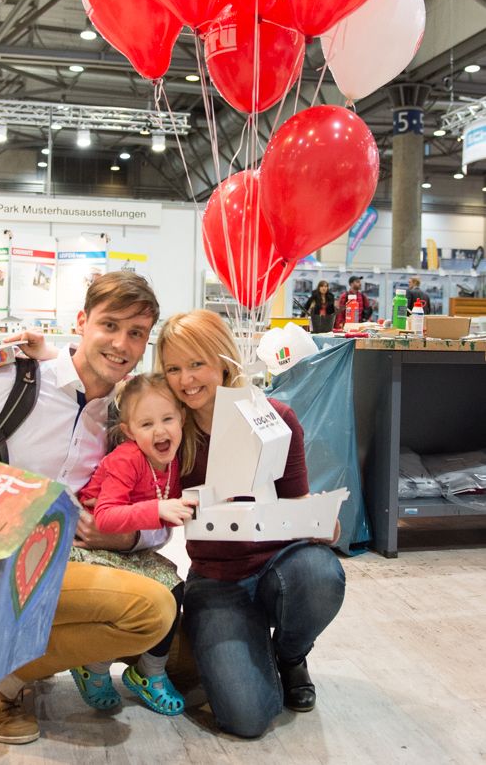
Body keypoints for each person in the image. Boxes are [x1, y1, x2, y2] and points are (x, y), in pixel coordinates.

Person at [0, 272, 176, 745]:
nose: (121, 343)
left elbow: (157, 510)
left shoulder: (122, 416)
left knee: (174, 625)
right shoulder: (13, 380)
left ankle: (28, 651)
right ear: (82, 322)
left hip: (63, 558)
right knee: (150, 611)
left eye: (136, 333)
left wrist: (120, 535)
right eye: (110, 325)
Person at [156, 309, 346, 740]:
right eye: (173, 368)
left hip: (281, 564)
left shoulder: (275, 417)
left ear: (223, 360)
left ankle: (291, 654)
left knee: (320, 573)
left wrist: (321, 523)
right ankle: (250, 644)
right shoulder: (170, 433)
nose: (186, 379)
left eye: (197, 363)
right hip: (217, 580)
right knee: (248, 718)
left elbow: (298, 503)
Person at [70, 373, 195, 717]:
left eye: (168, 419)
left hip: (128, 550)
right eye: (147, 423)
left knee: (174, 588)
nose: (160, 431)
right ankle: (93, 668)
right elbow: (106, 518)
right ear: (128, 431)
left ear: (182, 418)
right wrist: (158, 510)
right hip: (92, 550)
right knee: (126, 602)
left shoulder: (172, 462)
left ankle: (149, 673)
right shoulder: (127, 459)